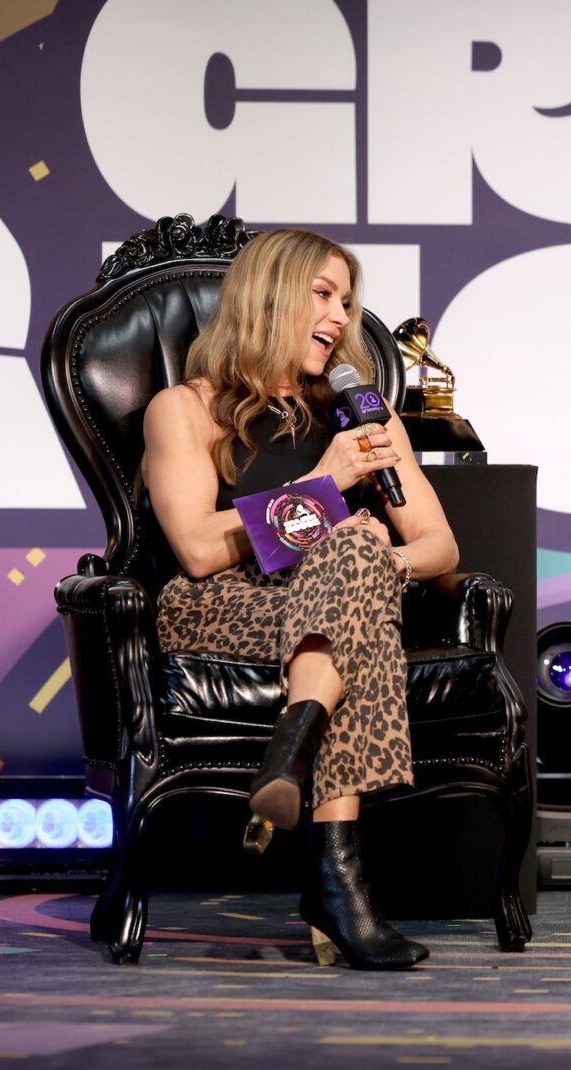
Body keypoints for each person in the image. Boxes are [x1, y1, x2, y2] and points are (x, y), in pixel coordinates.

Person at [141, 229, 460, 971]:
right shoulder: (185, 410)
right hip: (219, 608)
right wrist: (323, 486)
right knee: (353, 552)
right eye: (323, 295)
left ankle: (296, 743)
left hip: (334, 604)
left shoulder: (365, 418)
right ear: (269, 296)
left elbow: (441, 550)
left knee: (358, 549)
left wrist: (380, 561)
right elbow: (194, 548)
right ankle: (338, 888)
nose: (341, 316)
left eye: (348, 301)